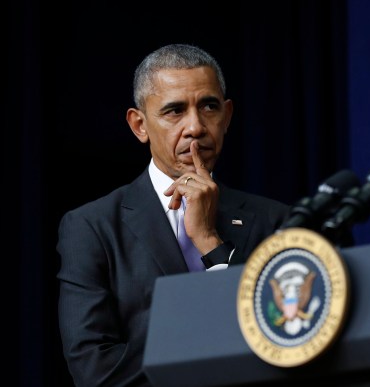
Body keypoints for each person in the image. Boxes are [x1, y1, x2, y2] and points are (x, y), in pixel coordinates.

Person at [57, 43, 289, 386]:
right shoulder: (92, 227)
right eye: (174, 111)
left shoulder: (277, 221)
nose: (195, 127)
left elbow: (288, 342)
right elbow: (95, 370)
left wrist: (212, 245)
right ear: (139, 125)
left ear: (227, 116)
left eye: (209, 107)